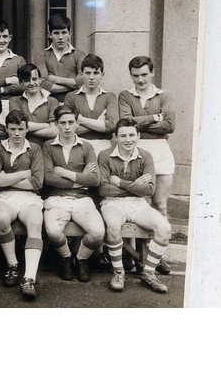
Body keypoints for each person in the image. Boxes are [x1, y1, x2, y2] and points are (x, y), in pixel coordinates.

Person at [98, 118, 171, 293]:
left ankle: (148, 273)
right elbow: (103, 189)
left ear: (138, 136)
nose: (128, 139)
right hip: (112, 203)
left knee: (165, 228)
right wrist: (135, 185)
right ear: (116, 137)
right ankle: (118, 272)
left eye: (132, 135)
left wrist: (121, 183)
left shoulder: (146, 156)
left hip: (139, 204)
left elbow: (149, 190)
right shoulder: (105, 155)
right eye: (123, 135)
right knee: (114, 226)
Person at [118, 56, 175, 274]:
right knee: (133, 203)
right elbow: (125, 123)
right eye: (135, 75)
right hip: (134, 152)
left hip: (160, 152)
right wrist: (153, 117)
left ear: (151, 73)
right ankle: (130, 254)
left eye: (144, 74)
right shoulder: (126, 95)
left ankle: (157, 255)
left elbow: (170, 125)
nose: (140, 80)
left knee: (159, 205)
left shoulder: (164, 95)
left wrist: (138, 121)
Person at [63, 54, 118, 271]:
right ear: (81, 74)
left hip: (103, 149)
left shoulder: (109, 96)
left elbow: (112, 126)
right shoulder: (71, 97)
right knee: (80, 194)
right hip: (78, 148)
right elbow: (69, 126)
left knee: (99, 195)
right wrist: (98, 122)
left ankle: (100, 251)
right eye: (87, 73)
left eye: (96, 73)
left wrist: (82, 120)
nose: (92, 77)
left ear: (102, 75)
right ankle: (76, 249)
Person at [42, 105, 105, 282]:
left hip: (83, 200)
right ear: (56, 125)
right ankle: (66, 258)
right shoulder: (48, 146)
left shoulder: (86, 146)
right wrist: (80, 179)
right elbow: (47, 178)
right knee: (53, 232)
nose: (67, 127)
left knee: (98, 233)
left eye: (71, 122)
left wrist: (63, 172)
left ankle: (81, 259)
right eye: (63, 123)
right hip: (56, 199)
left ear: (77, 123)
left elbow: (94, 180)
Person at [0, 110, 44, 299]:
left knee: (35, 222)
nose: (17, 133)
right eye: (13, 129)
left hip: (29, 197)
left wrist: (6, 178)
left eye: (21, 128)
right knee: (1, 218)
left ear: (27, 129)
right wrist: (22, 174)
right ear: (7, 129)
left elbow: (37, 182)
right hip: (5, 196)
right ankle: (13, 265)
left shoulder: (35, 149)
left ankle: (29, 278)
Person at [36, 14, 85, 103]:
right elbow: (43, 84)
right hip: (48, 103)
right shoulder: (41, 56)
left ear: (70, 34)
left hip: (74, 103)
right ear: (50, 35)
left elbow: (83, 81)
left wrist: (56, 79)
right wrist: (73, 84)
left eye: (64, 32)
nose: (60, 37)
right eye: (56, 33)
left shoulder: (79, 55)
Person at [8, 63, 59, 146]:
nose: (31, 83)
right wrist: (46, 125)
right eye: (27, 80)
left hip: (46, 149)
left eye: (34, 79)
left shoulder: (52, 102)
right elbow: (18, 125)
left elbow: (55, 131)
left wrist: (25, 130)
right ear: (21, 82)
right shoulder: (15, 101)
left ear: (40, 79)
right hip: (22, 148)